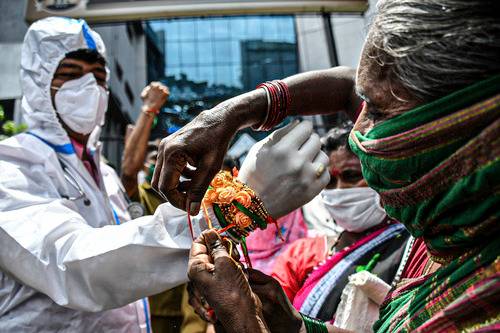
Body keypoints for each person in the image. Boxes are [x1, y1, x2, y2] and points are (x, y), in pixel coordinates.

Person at [158, 0, 499, 331]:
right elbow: (348, 86)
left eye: (378, 113)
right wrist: (230, 115)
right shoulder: (459, 221)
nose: (357, 135)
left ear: (465, 118)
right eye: (364, 106)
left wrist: (243, 322)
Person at [0, 17, 329, 332]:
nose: (89, 87)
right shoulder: (11, 166)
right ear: (37, 82)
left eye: (99, 77)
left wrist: (195, 272)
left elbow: (130, 254)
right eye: (71, 74)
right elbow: (74, 266)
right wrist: (232, 206)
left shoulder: (102, 172)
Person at [271, 122, 409, 322]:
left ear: (381, 176)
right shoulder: (300, 256)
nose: (339, 190)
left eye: (351, 176)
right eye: (329, 182)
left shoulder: (413, 247)